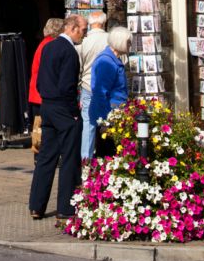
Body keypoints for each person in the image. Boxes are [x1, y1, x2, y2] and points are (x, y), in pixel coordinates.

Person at [27, 12, 87, 225]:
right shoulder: (69, 51)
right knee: (69, 158)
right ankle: (66, 207)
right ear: (72, 28)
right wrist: (72, 111)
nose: (84, 35)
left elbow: (40, 81)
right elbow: (67, 85)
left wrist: (47, 100)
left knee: (46, 157)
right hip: (63, 107)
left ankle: (36, 205)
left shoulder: (49, 46)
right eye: (83, 30)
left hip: (47, 105)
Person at [87, 27, 132, 158]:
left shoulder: (113, 60)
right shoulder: (106, 61)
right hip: (108, 116)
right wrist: (104, 121)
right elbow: (100, 92)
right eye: (128, 42)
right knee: (107, 153)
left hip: (114, 114)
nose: (130, 45)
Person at [29, 18, 63, 155]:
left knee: (40, 126)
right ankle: (41, 154)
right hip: (42, 94)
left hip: (37, 93)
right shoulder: (50, 45)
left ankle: (41, 153)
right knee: (42, 127)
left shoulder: (44, 43)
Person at [78, 11, 109, 160]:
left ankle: (86, 158)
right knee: (109, 121)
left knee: (88, 123)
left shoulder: (84, 41)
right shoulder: (110, 39)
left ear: (90, 24)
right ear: (104, 22)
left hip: (88, 85)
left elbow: (79, 65)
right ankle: (110, 157)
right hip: (107, 87)